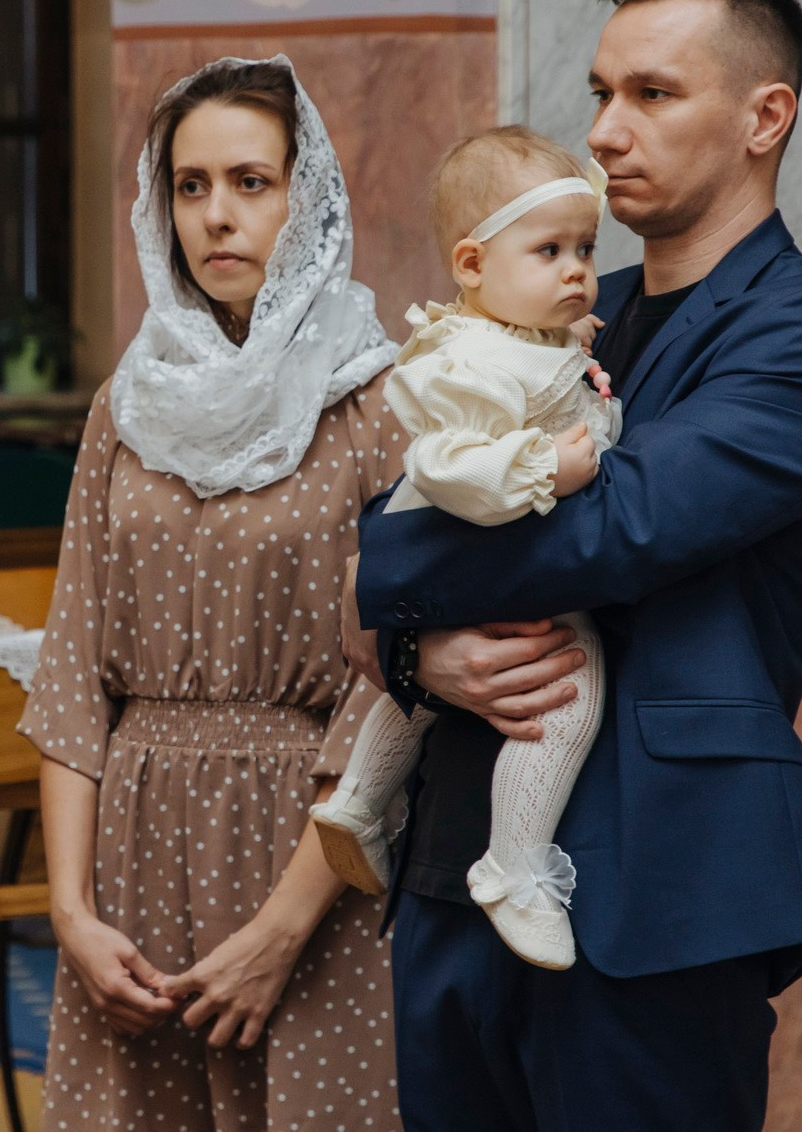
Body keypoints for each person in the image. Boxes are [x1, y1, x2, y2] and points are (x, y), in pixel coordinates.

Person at [350, 0, 802, 1130]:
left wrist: (374, 582)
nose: (602, 131)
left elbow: (615, 530)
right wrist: (416, 656)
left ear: (764, 116)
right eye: (599, 92)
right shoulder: (548, 302)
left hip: (655, 894)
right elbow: (417, 496)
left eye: (650, 95)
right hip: (455, 867)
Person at [20, 55, 405, 1129]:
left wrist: (284, 925)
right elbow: (70, 672)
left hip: (311, 860)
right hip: (130, 866)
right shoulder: (124, 403)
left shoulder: (376, 403)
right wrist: (70, 912)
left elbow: (393, 692)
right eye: (190, 186)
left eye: (250, 182)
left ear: (307, 195)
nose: (216, 216)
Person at [312, 127, 618, 972]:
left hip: (473, 555)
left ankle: (362, 801)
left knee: (429, 685)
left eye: (586, 248)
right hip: (485, 546)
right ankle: (515, 865)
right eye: (550, 249)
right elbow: (444, 466)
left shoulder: (525, 335)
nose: (575, 270)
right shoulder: (470, 358)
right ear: (473, 266)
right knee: (566, 693)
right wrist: (543, 467)